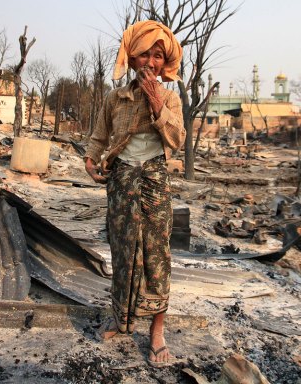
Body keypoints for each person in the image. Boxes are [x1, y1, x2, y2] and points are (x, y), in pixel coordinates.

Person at [84, 20, 185, 367]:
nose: (152, 63)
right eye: (146, 54)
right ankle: (121, 320)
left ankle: (157, 331)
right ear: (132, 57)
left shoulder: (170, 98)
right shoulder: (117, 98)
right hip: (122, 180)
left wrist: (157, 103)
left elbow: (177, 139)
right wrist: (90, 159)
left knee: (157, 255)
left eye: (159, 56)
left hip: (155, 180)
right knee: (124, 250)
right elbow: (99, 136)